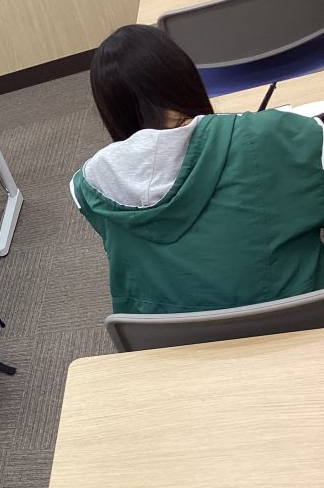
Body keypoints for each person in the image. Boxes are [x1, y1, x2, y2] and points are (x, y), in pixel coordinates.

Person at [72, 24, 324, 314]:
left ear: (110, 110)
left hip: (179, 340)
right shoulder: (274, 135)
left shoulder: (88, 187)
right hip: (302, 328)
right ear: (184, 77)